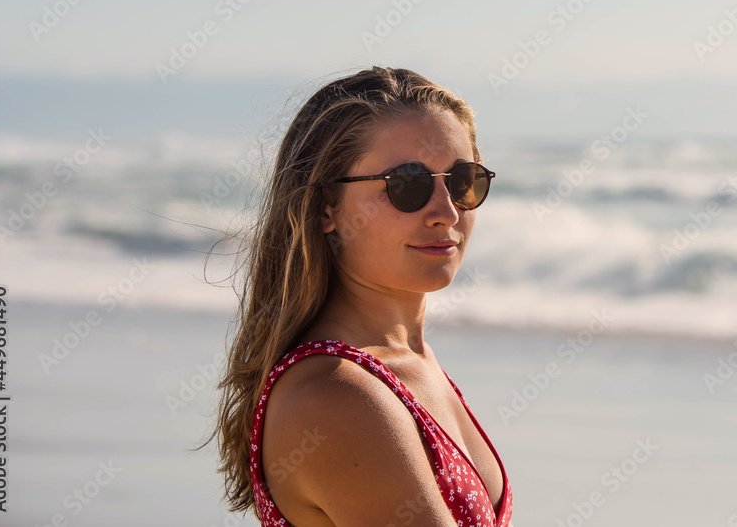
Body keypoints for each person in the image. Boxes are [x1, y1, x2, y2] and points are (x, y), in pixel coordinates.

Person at [199, 66, 514, 527]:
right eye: (408, 184)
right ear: (327, 206)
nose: (447, 212)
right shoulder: (336, 395)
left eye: (463, 181)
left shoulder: (404, 361)